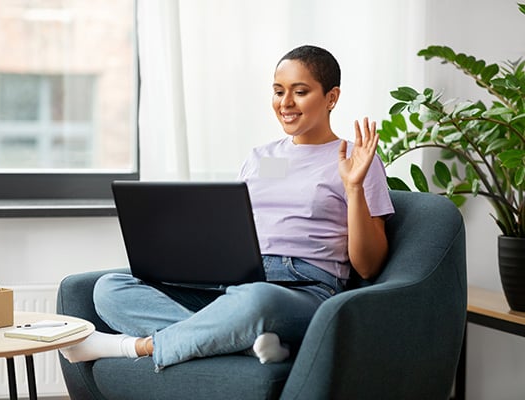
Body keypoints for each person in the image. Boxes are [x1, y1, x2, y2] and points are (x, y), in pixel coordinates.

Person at [60, 45, 394, 370]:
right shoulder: (262, 158)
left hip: (302, 289)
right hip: (234, 281)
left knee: (255, 301)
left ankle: (134, 347)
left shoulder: (357, 159)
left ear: (331, 97)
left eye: (300, 91)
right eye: (278, 91)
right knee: (109, 287)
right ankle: (245, 343)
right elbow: (234, 225)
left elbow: (368, 266)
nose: (285, 103)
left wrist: (353, 187)